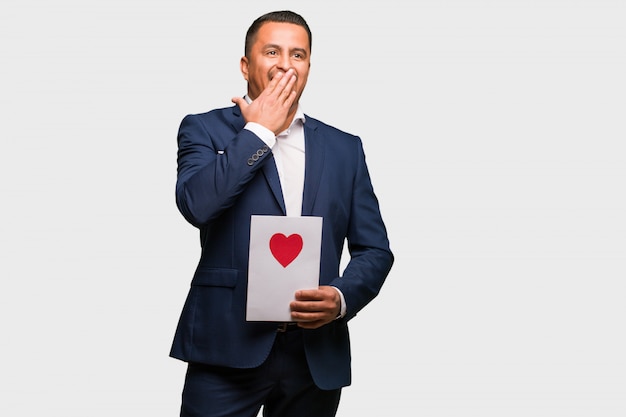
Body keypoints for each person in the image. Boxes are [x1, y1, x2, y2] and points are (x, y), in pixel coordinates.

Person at [170, 10, 394, 417]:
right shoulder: (204, 130)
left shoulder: (346, 149)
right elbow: (197, 206)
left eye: (298, 54)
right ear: (245, 65)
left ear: (309, 65)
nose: (285, 64)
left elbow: (375, 250)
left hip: (314, 355)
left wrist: (342, 298)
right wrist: (259, 132)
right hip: (225, 345)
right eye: (272, 51)